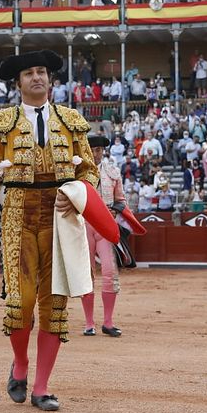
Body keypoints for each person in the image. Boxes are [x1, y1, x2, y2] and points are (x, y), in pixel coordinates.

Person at [0, 49, 99, 412]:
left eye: (42, 71)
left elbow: (89, 171)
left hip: (60, 216)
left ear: (51, 79)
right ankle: (21, 364)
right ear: (18, 82)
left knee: (54, 305)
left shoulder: (71, 121)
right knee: (20, 302)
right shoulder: (1, 123)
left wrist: (77, 197)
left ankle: (41, 388)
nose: (37, 77)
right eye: (29, 73)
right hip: (17, 213)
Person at [81, 135, 126, 338]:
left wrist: (116, 210)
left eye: (98, 150)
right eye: (92, 149)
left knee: (110, 271)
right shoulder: (77, 172)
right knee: (86, 274)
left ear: (103, 151)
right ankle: (89, 322)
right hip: (84, 226)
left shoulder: (112, 172)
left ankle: (108, 322)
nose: (95, 153)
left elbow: (121, 200)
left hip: (105, 226)